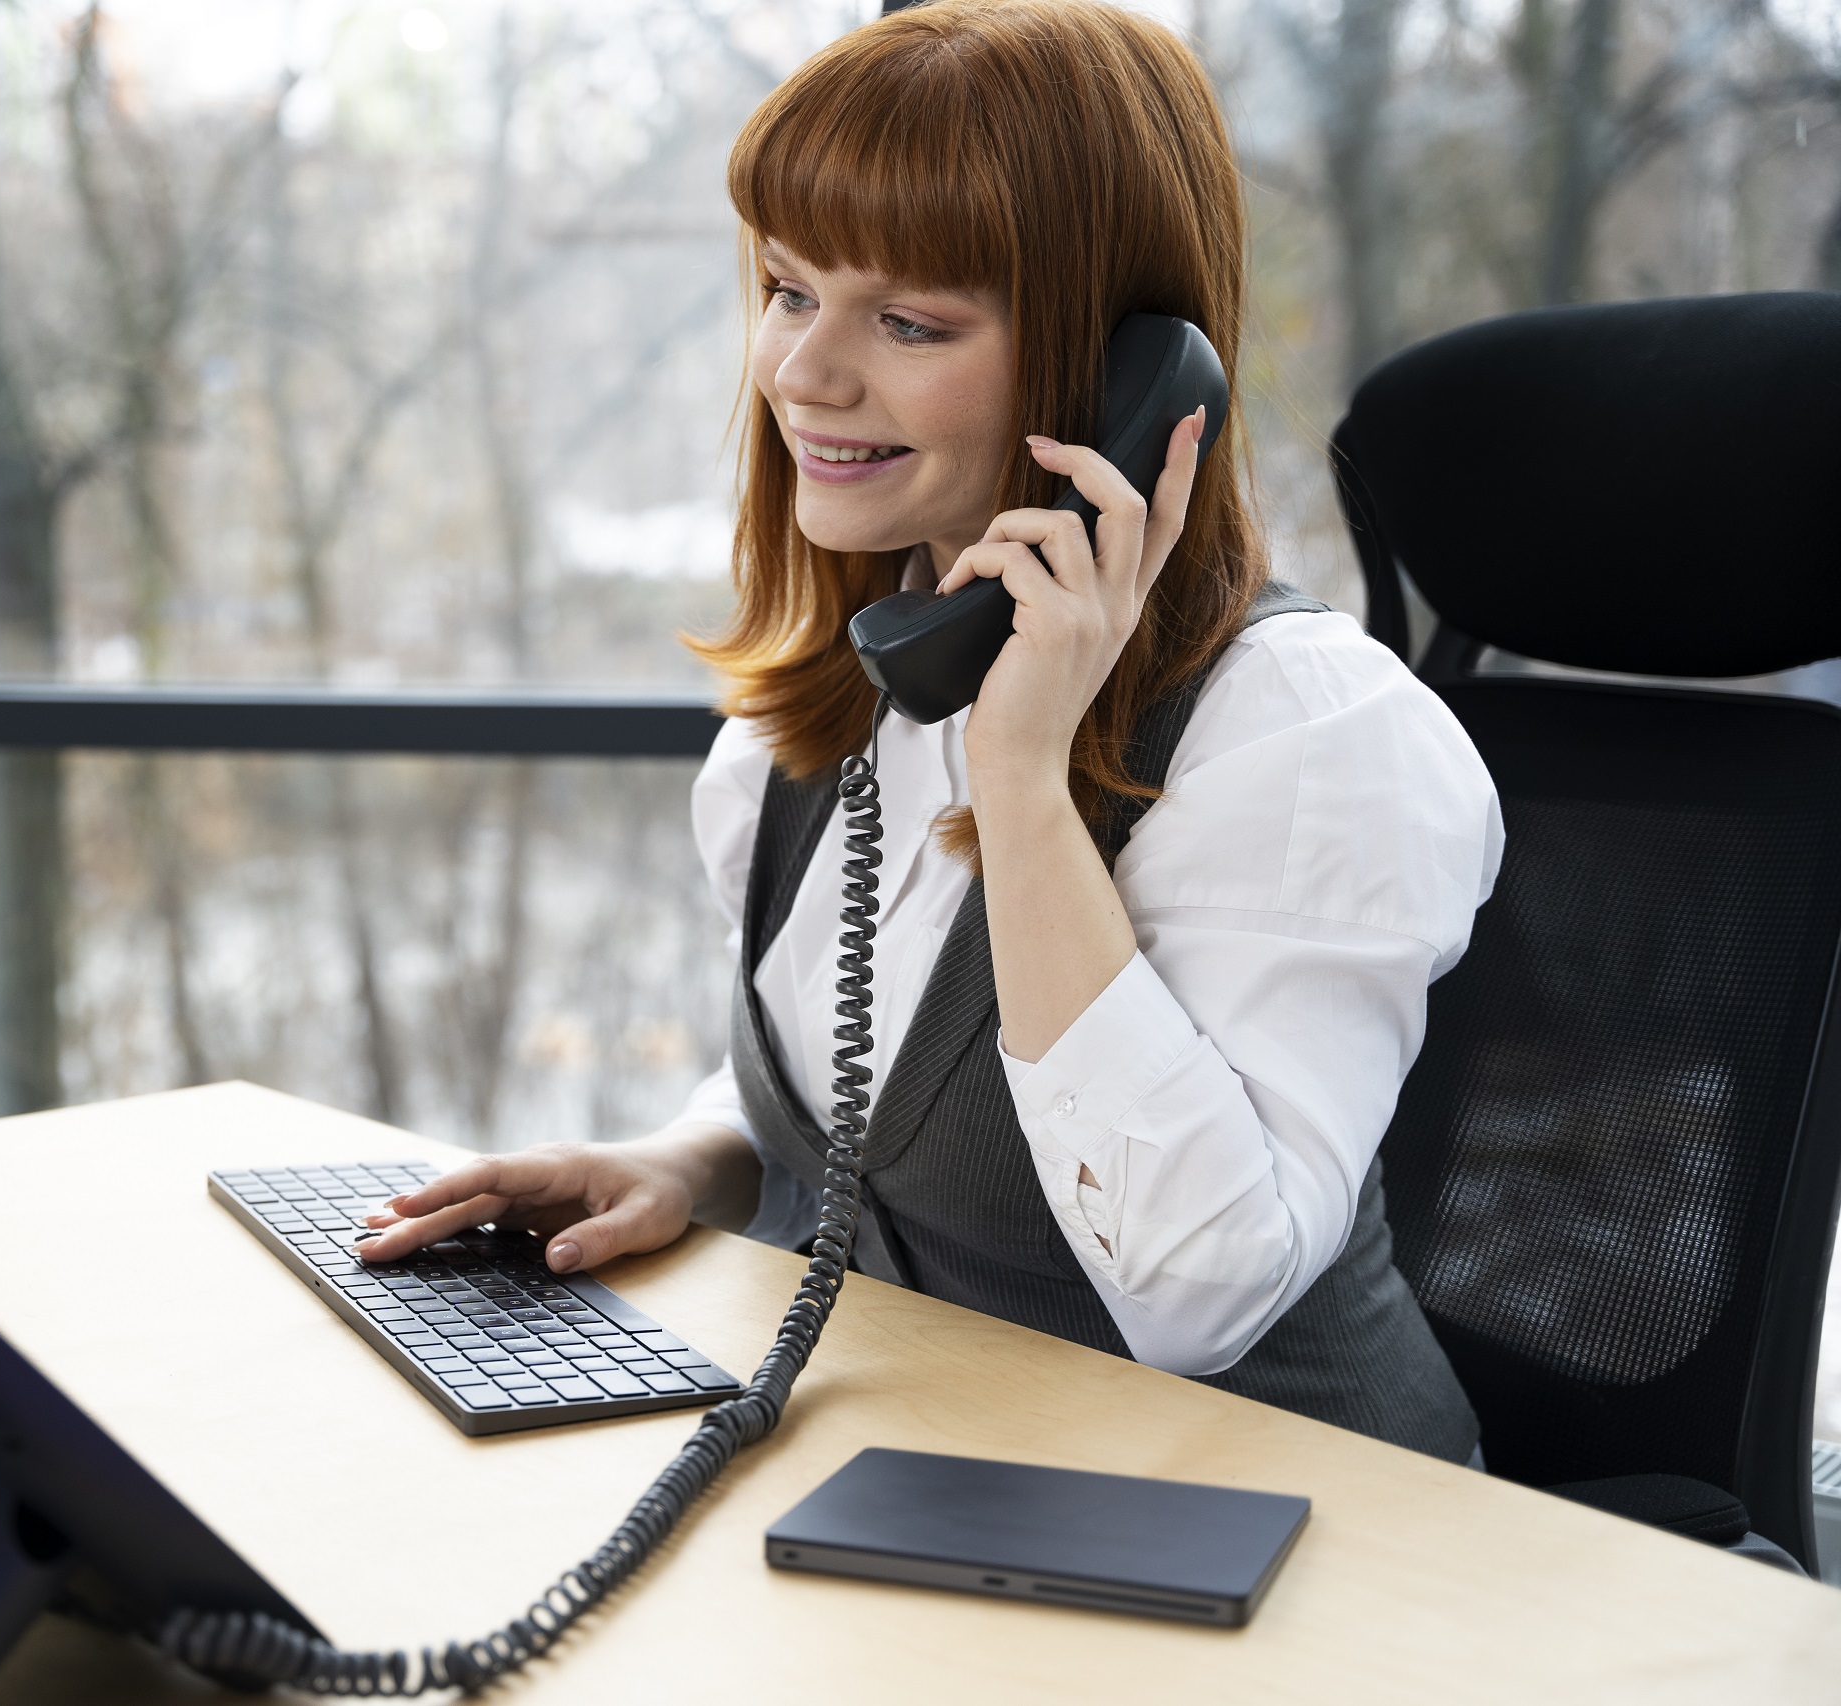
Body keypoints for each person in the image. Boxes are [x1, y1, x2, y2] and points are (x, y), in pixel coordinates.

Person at [355, 0, 1501, 1461]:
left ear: (1120, 370)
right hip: (958, 1503)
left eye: (907, 321)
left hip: (1320, 1567)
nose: (804, 373)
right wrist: (687, 1158)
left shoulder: (1308, 742)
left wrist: (1024, 787)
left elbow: (1200, 1294)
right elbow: (886, 1087)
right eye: (788, 290)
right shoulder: (850, 695)